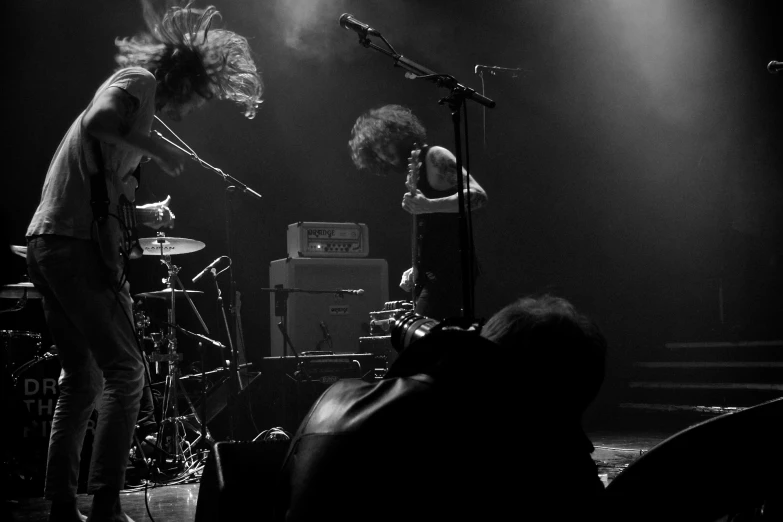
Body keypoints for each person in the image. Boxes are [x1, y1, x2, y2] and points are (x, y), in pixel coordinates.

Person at [25, 3, 262, 521]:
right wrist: (154, 148)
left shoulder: (137, 110)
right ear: (184, 80)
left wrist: (145, 207)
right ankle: (107, 502)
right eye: (197, 96)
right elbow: (100, 120)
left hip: (49, 242)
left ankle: (62, 505)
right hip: (75, 247)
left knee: (81, 381)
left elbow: (100, 185)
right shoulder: (136, 81)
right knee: (128, 371)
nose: (190, 108)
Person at [349, 104, 488, 319]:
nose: (383, 155)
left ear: (399, 134)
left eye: (384, 145)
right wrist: (418, 268)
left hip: (452, 271)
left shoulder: (435, 156)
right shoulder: (415, 168)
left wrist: (429, 205)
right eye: (376, 152)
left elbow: (478, 196)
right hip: (433, 274)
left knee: (420, 337)